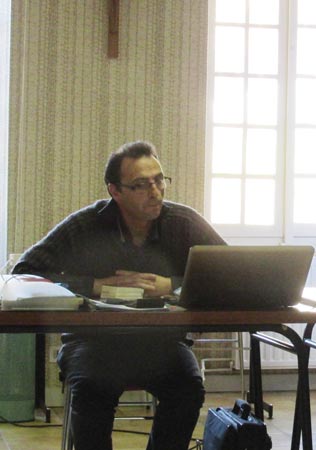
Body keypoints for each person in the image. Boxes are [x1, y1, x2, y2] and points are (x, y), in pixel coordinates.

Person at [12, 141, 226, 450]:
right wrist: (93, 285)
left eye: (159, 180)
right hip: (92, 341)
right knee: (91, 390)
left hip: (162, 341)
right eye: (141, 185)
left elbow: (226, 271)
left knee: (188, 388)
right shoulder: (86, 225)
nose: (155, 191)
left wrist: (172, 285)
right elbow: (24, 271)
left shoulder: (184, 223)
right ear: (115, 191)